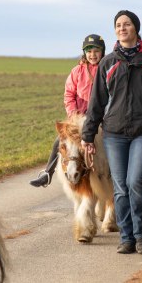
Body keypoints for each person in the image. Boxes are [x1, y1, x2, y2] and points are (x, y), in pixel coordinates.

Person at [81, 10, 142, 255]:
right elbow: (96, 103)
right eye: (118, 25)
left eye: (127, 24)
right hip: (114, 133)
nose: (122, 28)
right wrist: (88, 136)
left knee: (135, 182)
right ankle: (127, 237)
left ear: (135, 28)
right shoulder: (109, 63)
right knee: (120, 186)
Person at [29, 34, 106, 187]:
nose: (92, 55)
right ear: (84, 52)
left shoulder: (107, 69)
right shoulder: (77, 71)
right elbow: (69, 94)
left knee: (110, 143)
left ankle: (111, 176)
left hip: (101, 118)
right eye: (89, 51)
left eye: (96, 51)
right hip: (78, 118)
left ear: (102, 51)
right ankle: (47, 173)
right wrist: (73, 115)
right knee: (60, 140)